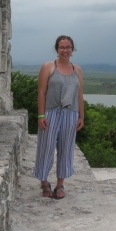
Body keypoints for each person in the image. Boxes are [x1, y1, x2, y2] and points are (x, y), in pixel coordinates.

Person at [33, 35, 84, 199]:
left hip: (71, 113)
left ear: (72, 49)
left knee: (66, 148)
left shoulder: (77, 70)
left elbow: (79, 94)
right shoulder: (48, 67)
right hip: (51, 111)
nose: (65, 50)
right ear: (57, 49)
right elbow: (41, 92)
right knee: (46, 147)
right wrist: (41, 114)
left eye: (68, 47)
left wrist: (81, 116)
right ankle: (44, 182)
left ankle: (60, 184)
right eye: (62, 47)